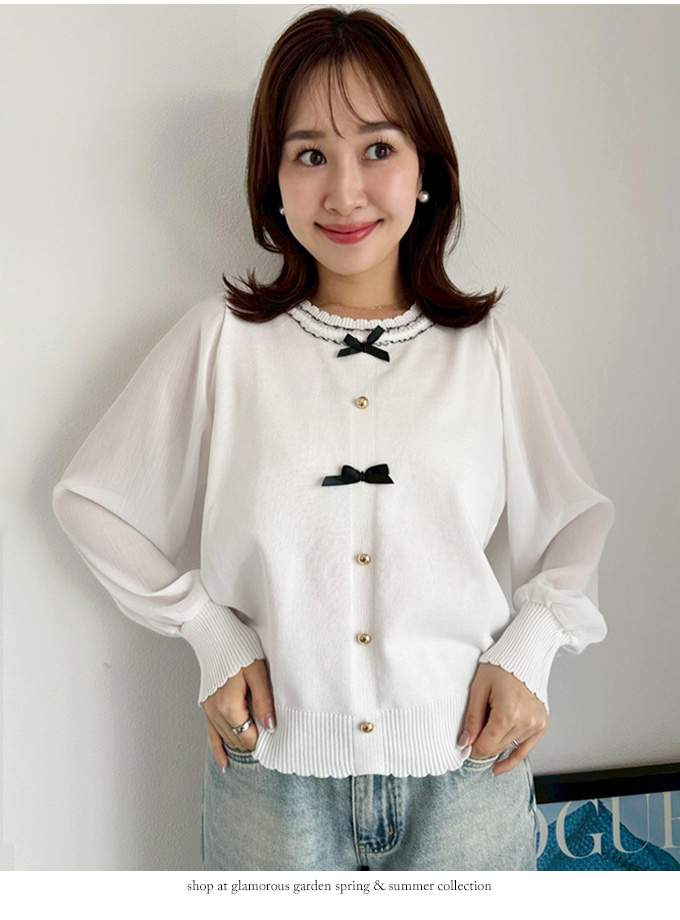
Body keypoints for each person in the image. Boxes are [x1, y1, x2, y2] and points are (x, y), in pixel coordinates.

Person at [52, 6, 614, 871]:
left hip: (465, 773)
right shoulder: (222, 342)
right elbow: (92, 502)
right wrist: (209, 632)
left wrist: (531, 651)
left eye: (378, 149)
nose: (345, 193)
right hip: (271, 779)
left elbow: (574, 521)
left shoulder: (488, 351)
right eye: (310, 155)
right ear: (272, 182)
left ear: (426, 170)